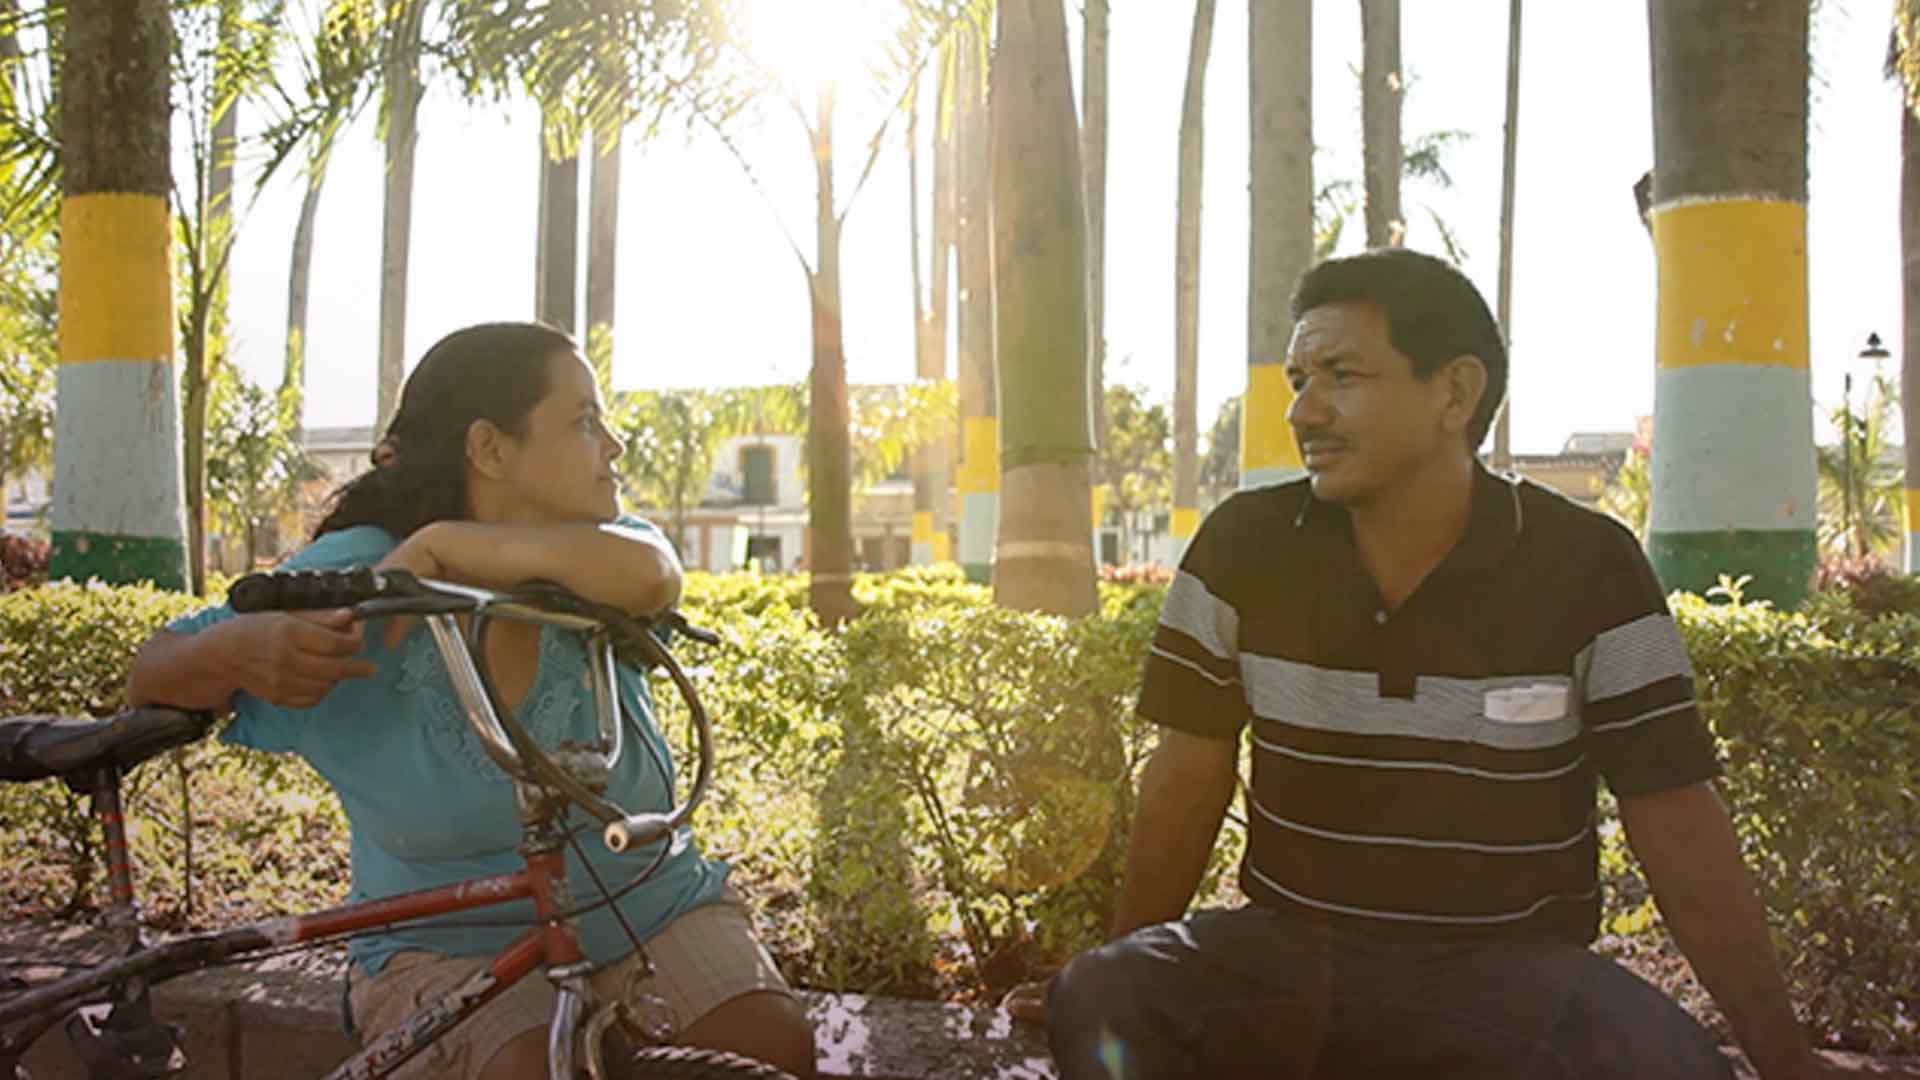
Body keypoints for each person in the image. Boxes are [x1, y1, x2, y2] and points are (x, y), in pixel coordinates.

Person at [1032, 250, 1843, 1079]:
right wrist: (1117, 959)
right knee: (1106, 1000)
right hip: (1286, 958)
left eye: (1340, 376)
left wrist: (1784, 1058)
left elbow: (1674, 814)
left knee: (1666, 1066)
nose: (1305, 412)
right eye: (1298, 380)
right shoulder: (1244, 549)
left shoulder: (1588, 566)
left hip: (1514, 977)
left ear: (1455, 393)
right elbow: (1188, 777)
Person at [127, 323, 816, 1080]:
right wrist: (239, 650)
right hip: (443, 941)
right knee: (525, 1069)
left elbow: (654, 576)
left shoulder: (595, 547)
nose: (614, 446)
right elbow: (151, 670)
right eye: (585, 422)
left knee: (770, 1042)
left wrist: (444, 547)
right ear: (489, 448)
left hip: (651, 901)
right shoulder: (360, 569)